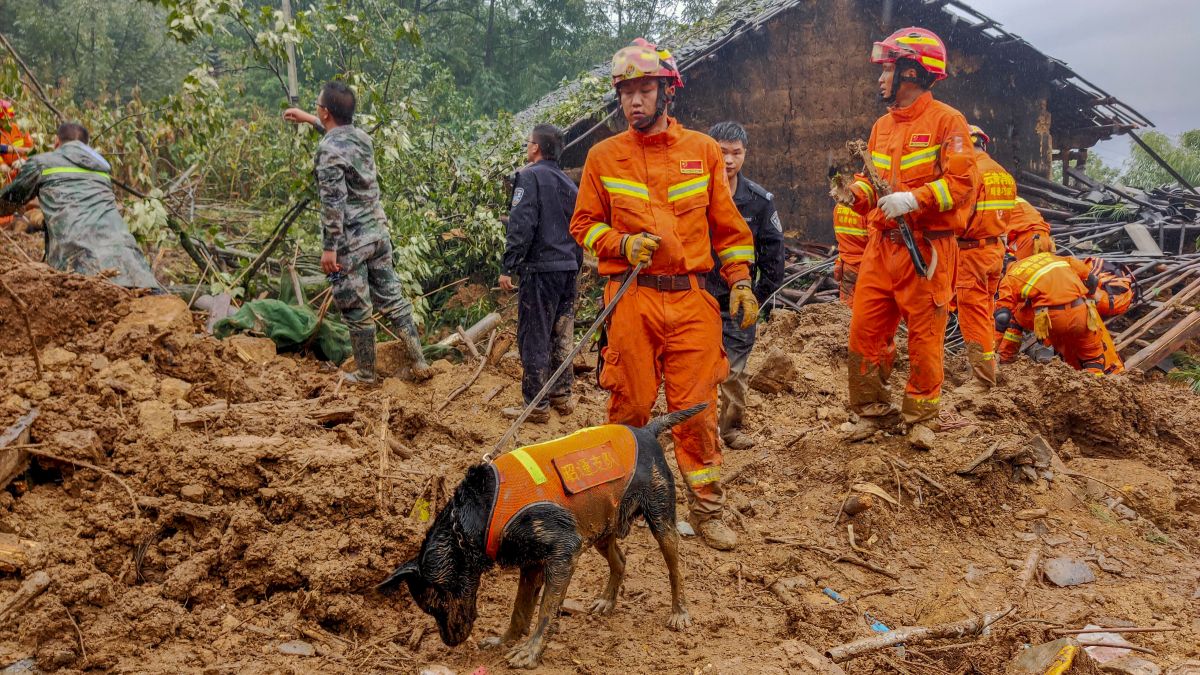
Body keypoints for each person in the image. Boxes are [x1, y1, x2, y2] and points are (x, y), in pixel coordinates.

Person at [570, 38, 757, 550]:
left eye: (644, 89)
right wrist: (620, 243)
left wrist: (739, 279)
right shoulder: (602, 156)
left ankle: (707, 509)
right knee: (628, 406)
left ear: (666, 91)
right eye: (626, 91)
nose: (634, 101)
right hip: (632, 299)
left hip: (693, 298)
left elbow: (728, 227)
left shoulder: (701, 152)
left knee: (695, 408)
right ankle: (617, 508)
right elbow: (583, 225)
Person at [830, 27, 979, 444]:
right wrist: (853, 193)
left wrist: (915, 200)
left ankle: (921, 419)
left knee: (924, 336)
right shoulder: (881, 127)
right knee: (864, 331)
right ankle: (872, 410)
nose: (880, 78)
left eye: (888, 69)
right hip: (883, 247)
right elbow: (869, 183)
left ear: (911, 72)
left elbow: (963, 183)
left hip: (927, 249)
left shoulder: (948, 122)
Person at [283, 81, 432, 385]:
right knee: (392, 298)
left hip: (349, 242)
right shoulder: (362, 137)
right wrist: (308, 119)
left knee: (355, 306)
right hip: (378, 234)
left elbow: (332, 202)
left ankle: (366, 373)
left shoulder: (327, 151)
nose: (315, 109)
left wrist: (329, 248)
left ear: (326, 112)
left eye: (316, 106)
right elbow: (340, 138)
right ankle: (419, 360)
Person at [0, 122, 160, 289]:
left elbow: (7, 202)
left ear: (56, 142)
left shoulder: (42, 163)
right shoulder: (102, 169)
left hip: (81, 270)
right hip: (134, 268)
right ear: (86, 146)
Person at [705, 121, 784, 450]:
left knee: (734, 372)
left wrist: (759, 296)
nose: (728, 161)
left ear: (745, 155)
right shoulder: (693, 196)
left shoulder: (758, 200)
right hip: (699, 301)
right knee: (697, 373)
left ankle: (732, 428)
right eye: (721, 153)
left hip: (739, 303)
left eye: (736, 153)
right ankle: (700, 434)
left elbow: (773, 254)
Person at [498, 124, 582, 423]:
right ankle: (561, 392)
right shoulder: (569, 184)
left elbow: (522, 223)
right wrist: (575, 264)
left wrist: (509, 265)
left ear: (535, 148)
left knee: (534, 333)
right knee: (561, 330)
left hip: (541, 269)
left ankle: (536, 405)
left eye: (528, 143)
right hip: (569, 268)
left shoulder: (528, 176)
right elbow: (579, 228)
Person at [954, 124, 1016, 393]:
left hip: (973, 253)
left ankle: (981, 381)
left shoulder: (972, 173)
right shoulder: (1002, 174)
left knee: (973, 315)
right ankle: (988, 368)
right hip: (994, 250)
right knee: (986, 313)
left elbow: (959, 219)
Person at [995, 252, 1123, 375]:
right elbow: (1092, 279)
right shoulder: (1051, 257)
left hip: (1052, 320)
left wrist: (992, 346)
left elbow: (1002, 317)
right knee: (1093, 358)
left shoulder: (1010, 276)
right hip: (1082, 313)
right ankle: (1096, 382)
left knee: (1015, 317)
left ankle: (1006, 358)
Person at [832, 204, 868, 306]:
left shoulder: (838, 207)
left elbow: (838, 236)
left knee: (846, 306)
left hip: (846, 265)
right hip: (867, 265)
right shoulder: (867, 209)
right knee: (867, 307)